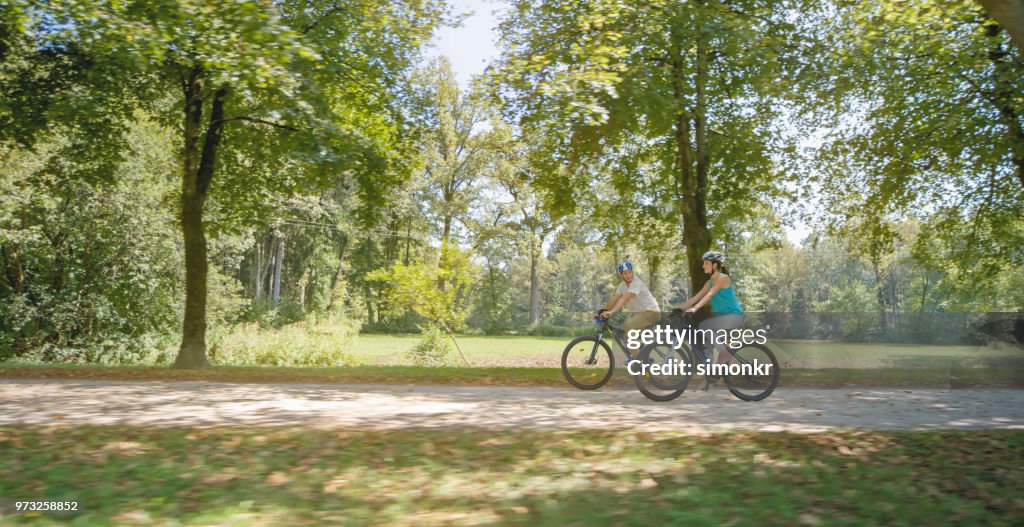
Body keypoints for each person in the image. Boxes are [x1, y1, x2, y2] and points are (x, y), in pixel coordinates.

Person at [678, 250, 744, 390]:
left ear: (715, 265)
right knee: (706, 348)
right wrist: (679, 309)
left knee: (705, 326)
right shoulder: (709, 282)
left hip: (733, 316)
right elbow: (696, 297)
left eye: (706, 263)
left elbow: (708, 295)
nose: (704, 266)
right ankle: (709, 380)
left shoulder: (722, 278)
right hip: (721, 319)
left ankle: (725, 352)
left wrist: (694, 309)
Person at [599, 261, 661, 365]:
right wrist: (601, 311)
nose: (628, 275)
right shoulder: (622, 285)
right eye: (625, 273)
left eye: (630, 272)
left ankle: (637, 360)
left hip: (651, 312)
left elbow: (623, 300)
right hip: (639, 315)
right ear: (621, 275)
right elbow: (614, 299)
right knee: (629, 339)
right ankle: (646, 360)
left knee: (628, 325)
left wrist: (611, 312)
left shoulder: (636, 283)